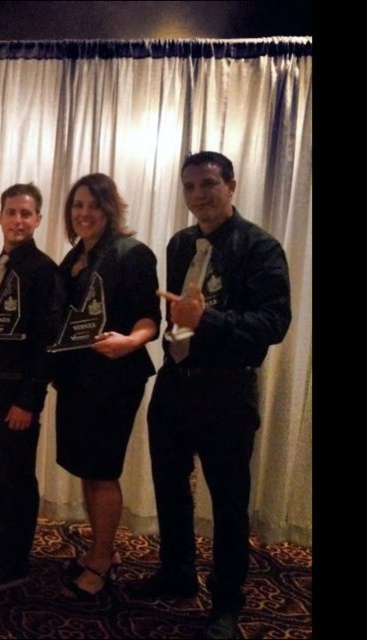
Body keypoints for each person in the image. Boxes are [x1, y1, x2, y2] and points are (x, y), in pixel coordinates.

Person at [128, 152, 291, 639]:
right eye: (191, 187)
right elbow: (178, 309)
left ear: (231, 186)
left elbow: (274, 324)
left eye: (209, 184)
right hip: (176, 383)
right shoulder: (180, 244)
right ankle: (177, 573)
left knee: (228, 500)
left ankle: (226, 602)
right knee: (170, 487)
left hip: (227, 389)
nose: (199, 195)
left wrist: (208, 321)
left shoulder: (261, 247)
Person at [52, 173, 161, 598]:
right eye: (77, 205)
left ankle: (100, 559)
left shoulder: (133, 255)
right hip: (77, 379)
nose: (84, 213)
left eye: (93, 205)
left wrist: (130, 342)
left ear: (110, 209)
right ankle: (105, 548)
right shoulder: (74, 256)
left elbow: (149, 318)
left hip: (114, 380)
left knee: (102, 470)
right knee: (86, 467)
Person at [0, 184, 65, 591]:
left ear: (37, 220)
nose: (17, 221)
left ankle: (16, 560)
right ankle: (5, 537)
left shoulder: (44, 272)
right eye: (11, 212)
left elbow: (47, 341)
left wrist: (29, 400)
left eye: (26, 213)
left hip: (17, 393)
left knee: (17, 475)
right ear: (0, 217)